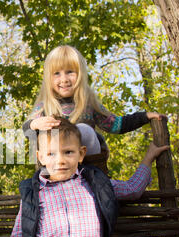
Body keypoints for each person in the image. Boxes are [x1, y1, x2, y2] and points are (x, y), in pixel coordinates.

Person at [0, 116, 169, 237]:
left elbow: (132, 189)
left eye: (68, 152)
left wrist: (148, 158)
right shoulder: (34, 193)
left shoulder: (95, 184)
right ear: (40, 157)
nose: (60, 161)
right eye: (51, 154)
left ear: (81, 154)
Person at [22, 44, 166, 156]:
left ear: (80, 75)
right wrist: (34, 124)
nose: (64, 79)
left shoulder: (87, 104)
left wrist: (144, 116)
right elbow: (27, 131)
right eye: (57, 74)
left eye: (70, 72)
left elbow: (116, 125)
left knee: (83, 131)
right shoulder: (45, 106)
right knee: (49, 139)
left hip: (88, 166)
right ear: (48, 78)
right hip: (58, 167)